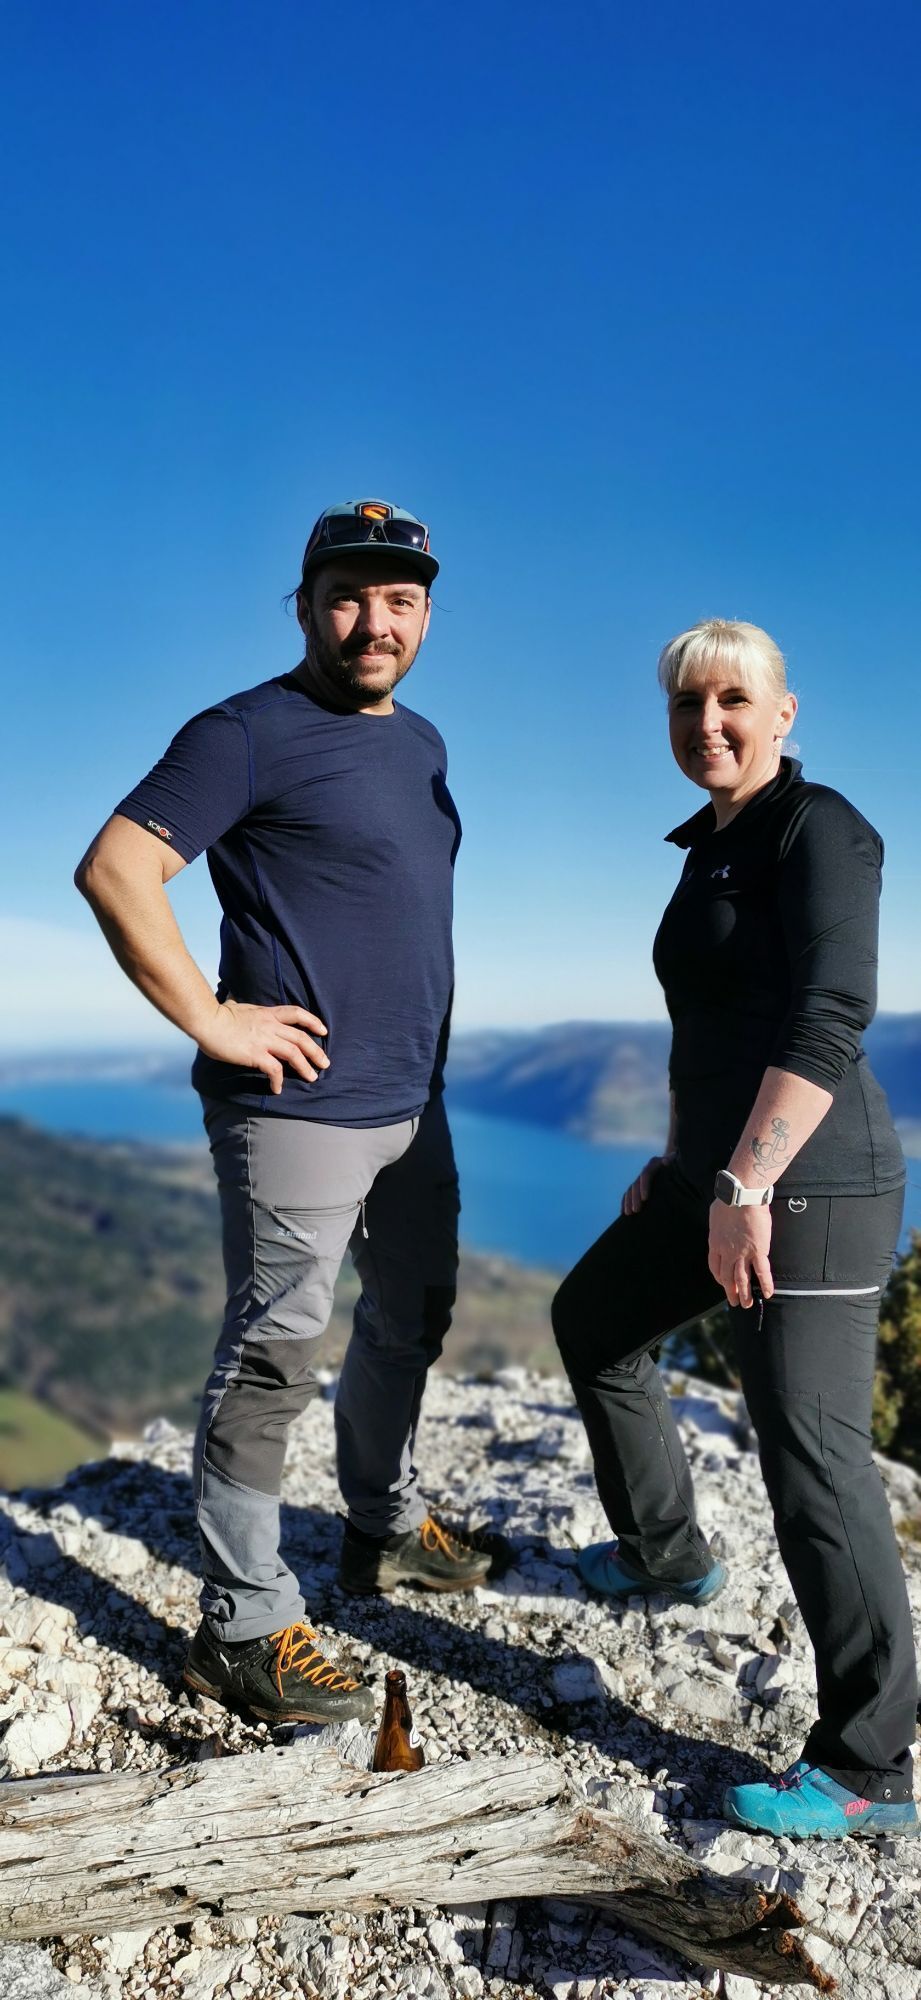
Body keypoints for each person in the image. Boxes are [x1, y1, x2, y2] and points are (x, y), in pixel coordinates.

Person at [75, 498, 495, 1729]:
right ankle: (243, 1628)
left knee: (411, 1315)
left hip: (413, 1104)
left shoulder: (423, 743)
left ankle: (382, 1527)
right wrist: (214, 1018)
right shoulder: (245, 732)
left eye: (401, 599)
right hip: (298, 1110)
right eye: (347, 596)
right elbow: (116, 867)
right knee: (274, 1353)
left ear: (427, 613)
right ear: (305, 604)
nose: (375, 622)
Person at [551, 618, 919, 1840]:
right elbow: (708, 1031)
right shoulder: (710, 846)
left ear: (783, 712)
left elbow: (830, 1014)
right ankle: (668, 1553)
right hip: (719, 1175)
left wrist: (749, 1182)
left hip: (810, 1185)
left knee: (811, 1454)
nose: (706, 722)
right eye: (685, 704)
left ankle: (872, 1761)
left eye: (732, 701)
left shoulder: (822, 830)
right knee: (593, 1318)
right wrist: (681, 1159)